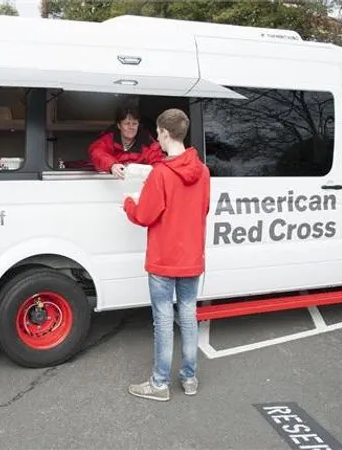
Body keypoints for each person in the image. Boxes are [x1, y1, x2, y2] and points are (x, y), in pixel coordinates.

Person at [122, 109, 210, 402]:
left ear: (163, 133)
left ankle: (160, 383)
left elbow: (145, 215)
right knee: (187, 315)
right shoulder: (204, 171)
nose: (156, 138)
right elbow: (203, 209)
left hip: (163, 259)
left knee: (163, 319)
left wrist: (128, 204)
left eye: (157, 133)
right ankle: (189, 377)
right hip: (191, 258)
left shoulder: (161, 173)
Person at [88, 102, 163, 178]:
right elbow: (97, 152)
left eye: (134, 123)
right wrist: (112, 165)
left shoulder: (148, 142)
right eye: (127, 123)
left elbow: (158, 162)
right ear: (119, 126)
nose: (131, 127)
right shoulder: (109, 139)